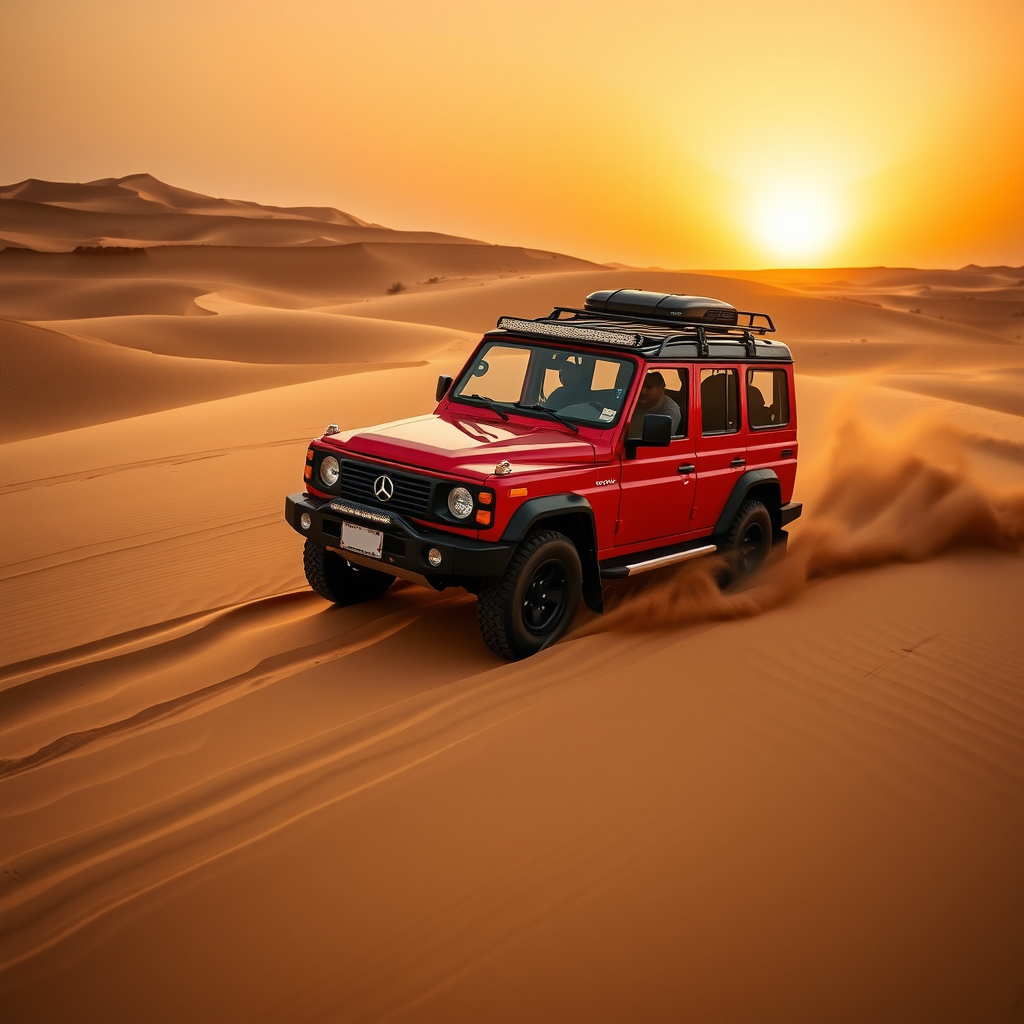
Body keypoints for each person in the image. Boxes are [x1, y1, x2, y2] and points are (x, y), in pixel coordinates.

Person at [629, 371, 681, 436]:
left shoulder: (670, 411)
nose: (643, 391)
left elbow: (659, 439)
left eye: (648, 388)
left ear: (661, 388)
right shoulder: (632, 401)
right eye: (641, 386)